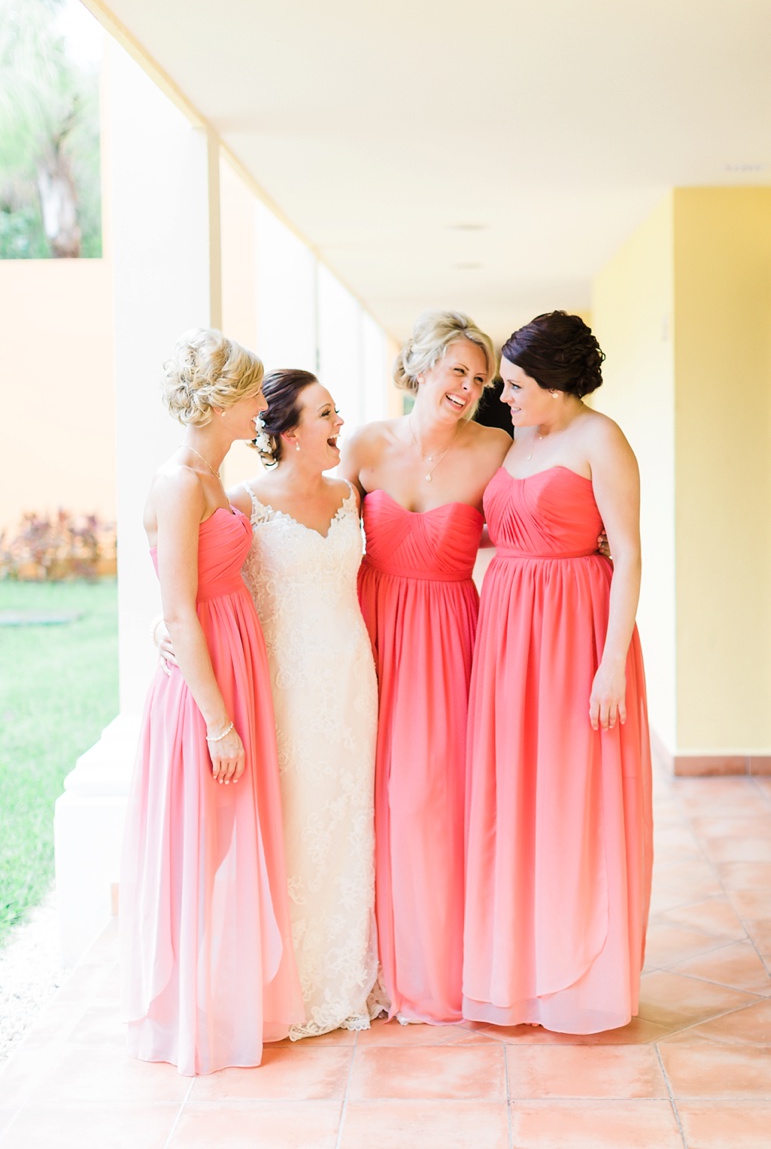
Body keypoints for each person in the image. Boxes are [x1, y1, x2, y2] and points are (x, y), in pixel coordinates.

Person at [462, 311, 653, 1034]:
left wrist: (610, 662)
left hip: (576, 632)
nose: (502, 396)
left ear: (555, 383)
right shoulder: (519, 437)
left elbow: (628, 553)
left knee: (573, 799)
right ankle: (517, 969)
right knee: (515, 796)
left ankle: (579, 975)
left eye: (513, 385)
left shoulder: (601, 439)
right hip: (508, 628)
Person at [120, 329, 303, 1076]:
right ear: (222, 401)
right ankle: (187, 1018)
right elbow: (180, 609)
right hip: (206, 685)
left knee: (230, 838)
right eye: (254, 393)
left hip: (234, 656)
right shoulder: (177, 481)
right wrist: (218, 722)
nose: (262, 404)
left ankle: (223, 1001)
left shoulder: (212, 475)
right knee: (200, 842)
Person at [339, 310, 512, 1024]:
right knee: (362, 794)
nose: (468, 387)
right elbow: (304, 519)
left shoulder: (497, 447)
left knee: (429, 800)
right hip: (366, 630)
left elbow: (530, 520)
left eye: (479, 378)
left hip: (448, 639)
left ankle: (438, 969)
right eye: (457, 371)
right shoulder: (362, 444)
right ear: (418, 368)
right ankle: (365, 961)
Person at [229, 369, 383, 1038]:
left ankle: (343, 977)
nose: (339, 424)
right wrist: (160, 627)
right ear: (289, 432)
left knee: (349, 821)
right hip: (286, 689)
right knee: (292, 824)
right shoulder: (242, 503)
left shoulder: (349, 493)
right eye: (326, 414)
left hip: (352, 680)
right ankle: (284, 985)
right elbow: (202, 579)